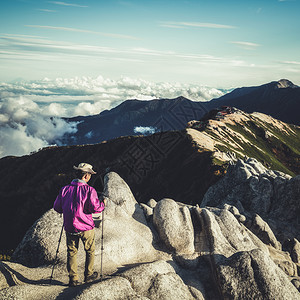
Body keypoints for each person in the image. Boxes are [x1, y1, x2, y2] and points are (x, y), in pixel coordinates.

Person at [53, 163, 106, 287]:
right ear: (86, 176)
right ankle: (88, 275)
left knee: (71, 252)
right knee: (90, 250)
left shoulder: (65, 189)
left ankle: (73, 279)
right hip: (86, 226)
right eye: (90, 175)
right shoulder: (89, 190)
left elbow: (57, 207)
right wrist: (103, 204)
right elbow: (95, 207)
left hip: (70, 227)